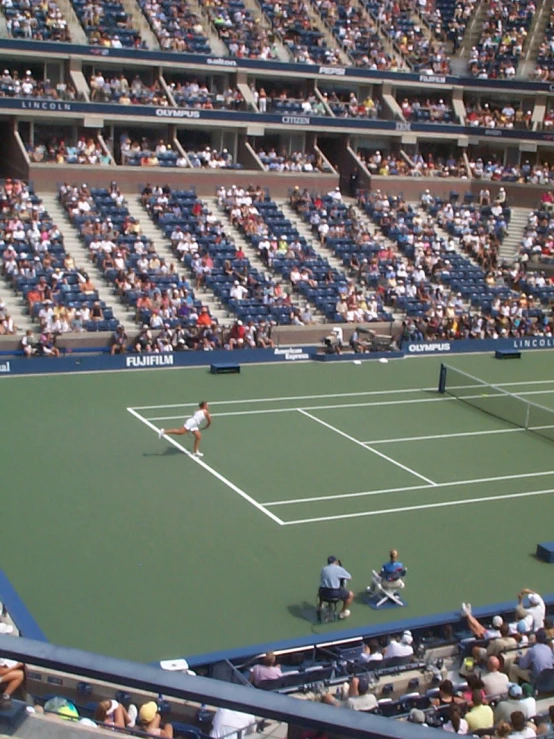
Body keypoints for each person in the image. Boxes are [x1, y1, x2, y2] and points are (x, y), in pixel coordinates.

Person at [318, 556, 353, 620]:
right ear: (336, 562)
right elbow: (350, 578)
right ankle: (342, 612)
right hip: (334, 594)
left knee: (321, 588)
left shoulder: (323, 569)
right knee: (350, 595)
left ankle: (319, 607)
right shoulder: (339, 569)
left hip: (323, 593)